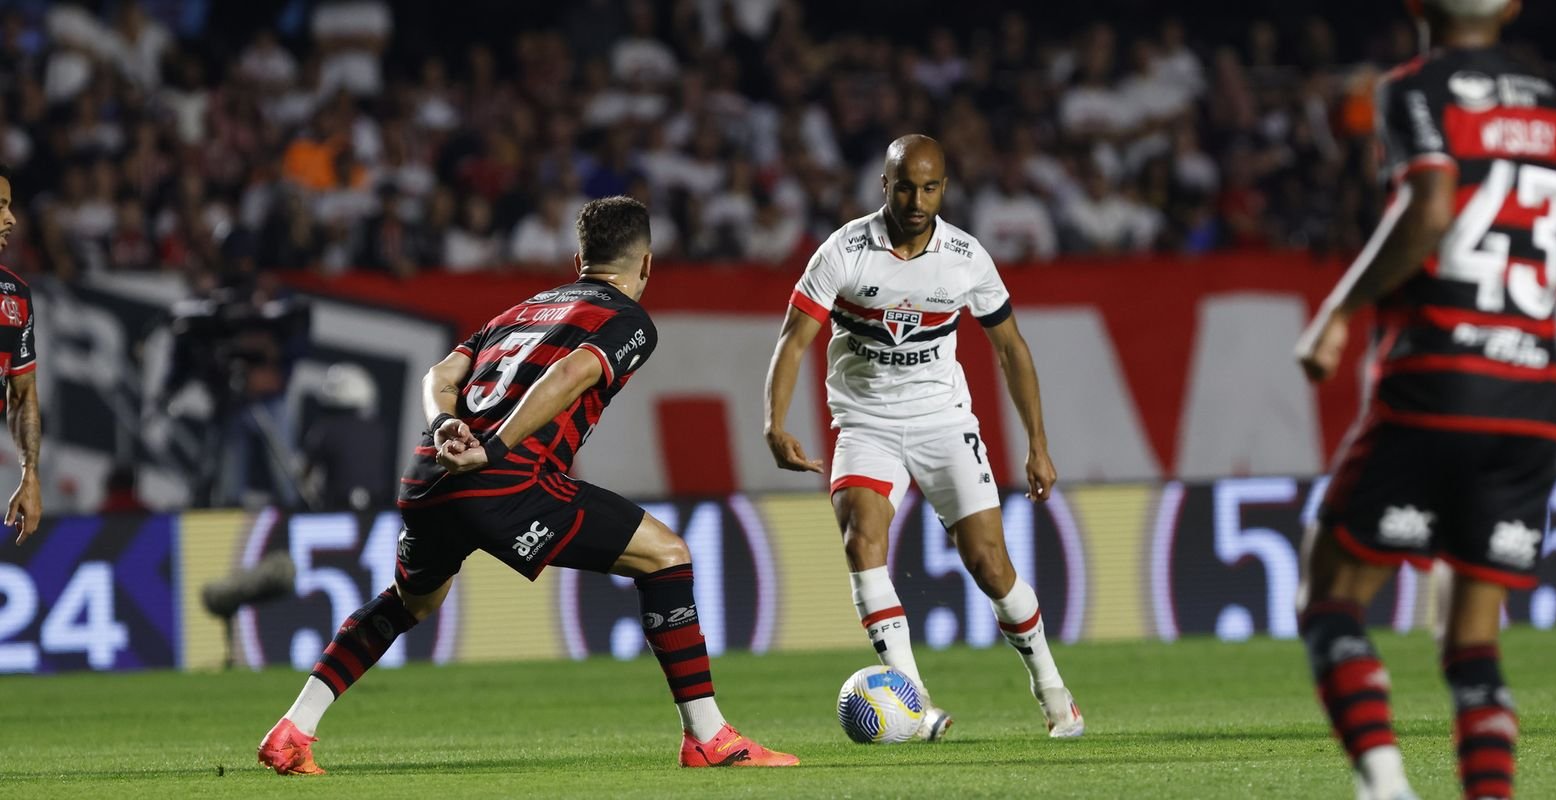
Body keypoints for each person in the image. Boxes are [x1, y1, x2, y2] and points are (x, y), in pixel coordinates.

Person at [258, 196, 797, 774]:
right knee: (666, 555)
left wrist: (444, 426)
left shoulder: (519, 312)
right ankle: (708, 738)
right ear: (646, 264)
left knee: (410, 601)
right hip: (503, 478)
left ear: (577, 261)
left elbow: (440, 375)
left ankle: (292, 730)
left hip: (430, 473)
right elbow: (572, 373)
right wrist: (494, 448)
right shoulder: (628, 320)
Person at [1293, 2, 1556, 798]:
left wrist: (1340, 311)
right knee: (1472, 641)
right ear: (1512, 8)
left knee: (1330, 594)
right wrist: (1525, 262)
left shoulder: (1415, 87)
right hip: (1533, 400)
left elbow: (1430, 206)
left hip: (1438, 379)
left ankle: (1385, 783)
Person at [763, 135, 1083, 740]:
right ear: (884, 185)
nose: (916, 201)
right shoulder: (844, 252)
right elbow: (794, 340)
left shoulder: (966, 257)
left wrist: (1037, 443)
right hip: (865, 422)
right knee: (862, 540)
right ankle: (915, 704)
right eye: (905, 187)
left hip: (943, 420)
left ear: (944, 189)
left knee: (990, 565)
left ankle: (1051, 688)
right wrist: (774, 424)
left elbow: (1011, 348)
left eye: (929, 188)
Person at [0, 163, 41, 546]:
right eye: (0, 206)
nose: (10, 218)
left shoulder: (15, 296)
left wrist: (30, 473)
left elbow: (22, 394)